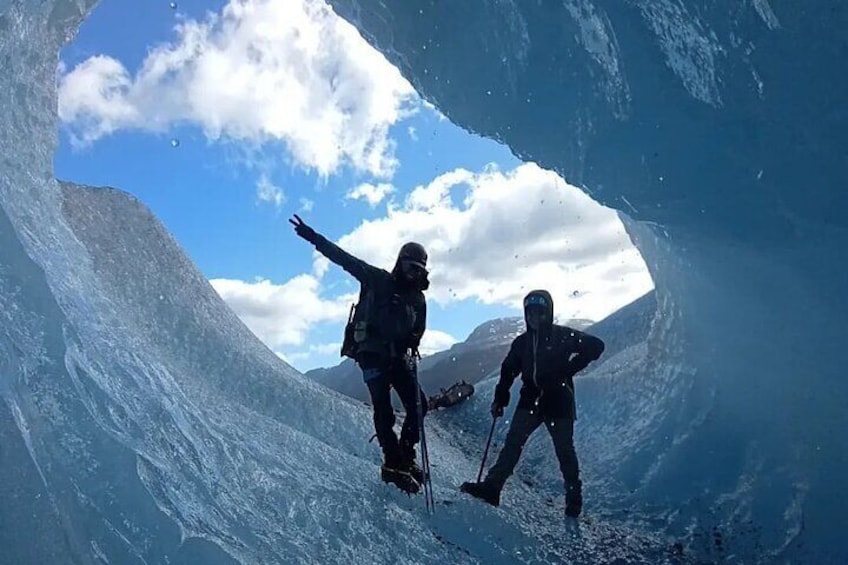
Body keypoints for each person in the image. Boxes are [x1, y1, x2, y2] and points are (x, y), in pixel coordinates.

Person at [289, 214, 430, 494]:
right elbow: (344, 259)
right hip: (373, 354)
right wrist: (312, 236)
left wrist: (410, 345)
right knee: (383, 409)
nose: (413, 273)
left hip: (398, 357)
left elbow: (417, 331)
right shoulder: (377, 279)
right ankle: (393, 464)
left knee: (419, 406)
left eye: (418, 269)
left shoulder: (418, 298)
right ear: (399, 263)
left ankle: (404, 455)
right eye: (410, 266)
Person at [460, 289, 605, 518]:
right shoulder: (522, 343)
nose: (535, 318)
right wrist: (501, 396)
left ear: (548, 313)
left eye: (540, 313)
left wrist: (567, 370)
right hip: (532, 399)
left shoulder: (562, 336)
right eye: (531, 313)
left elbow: (596, 346)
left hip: (558, 401)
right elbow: (508, 370)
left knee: (563, 451)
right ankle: (492, 488)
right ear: (526, 314)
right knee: (514, 444)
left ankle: (574, 501)